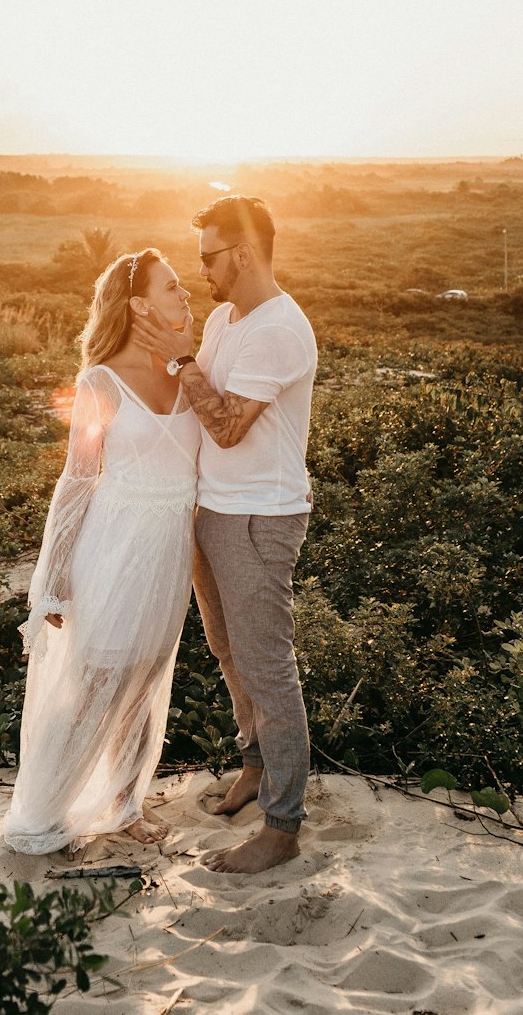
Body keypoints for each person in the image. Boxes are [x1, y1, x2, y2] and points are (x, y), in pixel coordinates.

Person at [133, 196, 317, 874]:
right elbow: (190, 393)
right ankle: (254, 767)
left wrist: (183, 362)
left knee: (268, 666)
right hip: (212, 507)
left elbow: (229, 424)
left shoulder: (280, 330)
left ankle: (283, 825)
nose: (201, 269)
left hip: (259, 516)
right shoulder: (223, 316)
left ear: (242, 254)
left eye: (209, 256)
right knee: (228, 651)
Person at [1, 248, 200, 854]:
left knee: (145, 674)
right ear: (139, 304)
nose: (186, 296)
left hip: (169, 551)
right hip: (113, 547)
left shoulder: (187, 371)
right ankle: (43, 812)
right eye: (173, 289)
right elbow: (78, 478)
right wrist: (55, 578)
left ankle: (123, 803)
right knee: (95, 680)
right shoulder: (100, 381)